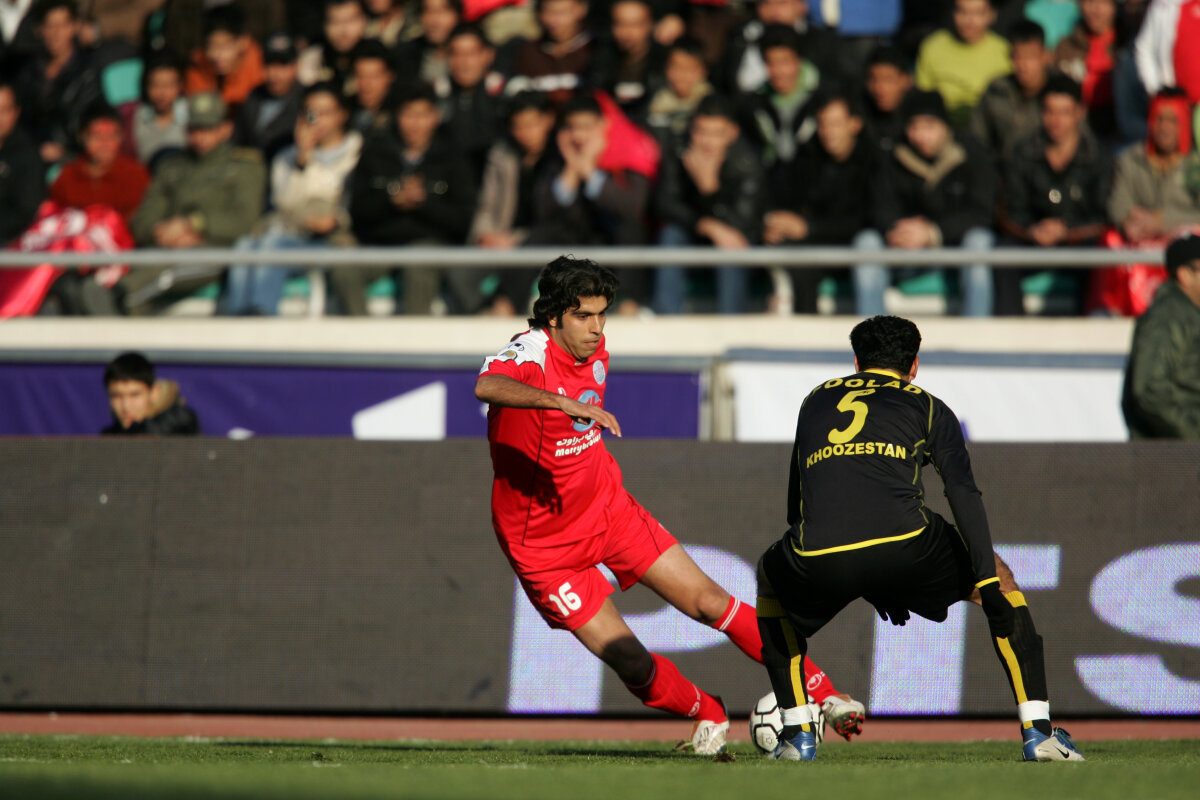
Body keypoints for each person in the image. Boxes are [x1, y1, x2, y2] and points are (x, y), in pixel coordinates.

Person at [475, 255, 867, 754]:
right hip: (542, 547)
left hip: (609, 512)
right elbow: (486, 386)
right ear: (552, 316)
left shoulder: (594, 348)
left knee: (710, 602)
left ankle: (825, 694)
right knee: (629, 660)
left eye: (602, 314)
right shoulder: (529, 351)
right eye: (582, 316)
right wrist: (560, 401)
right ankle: (707, 711)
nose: (596, 328)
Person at [755, 314, 1084, 763]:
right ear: (913, 365)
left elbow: (797, 502)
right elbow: (962, 493)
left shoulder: (814, 400)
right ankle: (1040, 735)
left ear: (857, 362)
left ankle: (797, 737)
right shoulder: (929, 406)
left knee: (770, 580)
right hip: (909, 545)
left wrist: (845, 573)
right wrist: (987, 582)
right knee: (1001, 577)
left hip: (818, 551)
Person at [220, 83, 362, 316]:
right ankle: (239, 319)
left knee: (273, 246)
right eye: (311, 113)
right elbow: (286, 204)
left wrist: (330, 217)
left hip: (333, 240)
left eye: (326, 113)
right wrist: (302, 160)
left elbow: (341, 202)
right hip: (292, 233)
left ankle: (261, 315)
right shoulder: (287, 157)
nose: (318, 120)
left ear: (342, 115)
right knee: (245, 246)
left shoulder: (357, 152)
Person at [854, 89, 997, 317]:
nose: (920, 135)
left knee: (979, 241)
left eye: (929, 126)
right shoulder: (891, 154)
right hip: (901, 250)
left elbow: (982, 211)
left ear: (945, 126)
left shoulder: (972, 154)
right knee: (866, 242)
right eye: (913, 126)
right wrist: (897, 230)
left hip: (952, 252)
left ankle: (976, 330)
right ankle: (873, 334)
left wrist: (933, 233)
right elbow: (878, 205)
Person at [122, 91, 267, 315]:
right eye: (195, 129)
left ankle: (115, 299)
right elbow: (144, 218)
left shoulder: (244, 167)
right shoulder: (172, 167)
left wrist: (193, 224)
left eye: (208, 129)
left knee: (157, 276)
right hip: (166, 248)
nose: (201, 136)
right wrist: (161, 232)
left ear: (226, 129)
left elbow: (245, 221)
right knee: (140, 266)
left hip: (216, 253)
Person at [347, 82, 477, 314]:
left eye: (423, 115)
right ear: (397, 117)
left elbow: (463, 220)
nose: (415, 124)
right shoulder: (375, 152)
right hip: (380, 244)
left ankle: (415, 337)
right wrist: (391, 201)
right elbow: (358, 210)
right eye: (408, 115)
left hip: (430, 243)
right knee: (343, 269)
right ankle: (359, 334)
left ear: (436, 117)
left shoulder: (453, 157)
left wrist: (423, 203)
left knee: (419, 265)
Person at [997, 74, 1111, 315]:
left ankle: (1087, 329)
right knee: (1003, 254)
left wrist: (1066, 230)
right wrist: (1033, 230)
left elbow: (1104, 214)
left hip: (1080, 244)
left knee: (1099, 256)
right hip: (1032, 242)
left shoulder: (1099, 157)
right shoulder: (1022, 152)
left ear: (1079, 113)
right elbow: (1011, 209)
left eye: (1064, 112)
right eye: (1049, 111)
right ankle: (1010, 330)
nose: (1056, 121)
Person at [764, 90, 874, 313]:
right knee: (792, 255)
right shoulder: (807, 157)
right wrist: (775, 225)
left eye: (835, 124)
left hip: (852, 245)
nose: (828, 132)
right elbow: (784, 200)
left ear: (855, 124)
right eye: (823, 124)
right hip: (813, 246)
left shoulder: (874, 162)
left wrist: (809, 228)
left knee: (868, 243)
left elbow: (869, 220)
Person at [654, 93, 764, 314]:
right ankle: (667, 317)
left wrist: (709, 188)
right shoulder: (679, 150)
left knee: (731, 248)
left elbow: (743, 223)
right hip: (695, 231)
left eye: (716, 134)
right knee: (671, 235)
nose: (706, 141)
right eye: (700, 131)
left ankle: (731, 322)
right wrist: (706, 224)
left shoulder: (747, 161)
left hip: (737, 239)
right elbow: (664, 203)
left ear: (732, 133)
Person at [1093, 89, 1199, 316]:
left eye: (1172, 120)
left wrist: (1161, 221)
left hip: (1182, 246)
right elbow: (1118, 203)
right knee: (1111, 238)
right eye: (1159, 119)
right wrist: (1128, 221)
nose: (1164, 127)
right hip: (1139, 241)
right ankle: (1110, 311)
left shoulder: (1195, 165)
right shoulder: (1130, 159)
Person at [468, 90, 559, 314]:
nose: (525, 133)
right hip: (499, 240)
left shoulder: (560, 156)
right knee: (460, 272)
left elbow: (556, 221)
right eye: (518, 126)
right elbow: (487, 203)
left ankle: (504, 310)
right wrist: (485, 234)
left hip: (540, 243)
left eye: (531, 124)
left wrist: (516, 240)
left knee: (526, 258)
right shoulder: (502, 154)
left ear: (548, 120)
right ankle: (477, 321)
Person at [1121, 232, 1200, 439]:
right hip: (1170, 452)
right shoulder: (1168, 317)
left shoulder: (1188, 313)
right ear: (1185, 275)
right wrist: (1194, 433)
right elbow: (1149, 390)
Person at [15, 0, 102, 168]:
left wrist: (65, 150)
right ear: (39, 29)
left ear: (74, 27)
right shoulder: (27, 72)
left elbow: (87, 121)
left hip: (71, 156)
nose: (56, 33)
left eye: (62, 25)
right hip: (30, 153)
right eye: (49, 26)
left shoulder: (87, 72)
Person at [737, 24, 819, 182]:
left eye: (785, 62)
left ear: (799, 60)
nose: (778, 71)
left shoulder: (822, 99)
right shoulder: (753, 104)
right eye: (770, 63)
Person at [914, 0, 1012, 128]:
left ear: (993, 15)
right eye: (962, 12)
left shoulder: (1005, 52)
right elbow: (922, 97)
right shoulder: (932, 46)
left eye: (978, 13)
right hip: (940, 127)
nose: (969, 20)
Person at [970, 20, 1056, 160]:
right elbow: (978, 140)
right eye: (1017, 56)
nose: (1023, 65)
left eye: (1030, 56)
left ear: (1045, 56)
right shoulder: (995, 91)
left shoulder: (1061, 91)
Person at [50, 103, 150, 222]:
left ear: (121, 137)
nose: (104, 144)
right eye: (97, 137)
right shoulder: (67, 177)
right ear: (82, 137)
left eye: (111, 137)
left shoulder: (136, 175)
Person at [437, 22, 505, 179]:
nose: (464, 63)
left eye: (471, 54)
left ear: (488, 55)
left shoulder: (505, 94)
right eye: (456, 54)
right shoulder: (437, 95)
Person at [232, 31, 304, 168]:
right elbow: (237, 140)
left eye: (282, 65)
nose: (274, 73)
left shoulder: (307, 100)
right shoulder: (254, 96)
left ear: (296, 66)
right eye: (269, 65)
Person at [589, 0, 666, 127]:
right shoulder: (599, 62)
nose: (627, 32)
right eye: (620, 24)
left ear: (651, 25)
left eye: (635, 25)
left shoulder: (665, 63)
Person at [1053, 0, 1119, 140]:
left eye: (1103, 3)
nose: (1095, 10)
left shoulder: (1126, 47)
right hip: (1077, 132)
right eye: (1089, 2)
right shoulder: (1066, 48)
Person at [507, 0, 593, 106]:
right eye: (548, 12)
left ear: (582, 10)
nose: (554, 21)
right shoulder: (527, 52)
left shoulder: (596, 49)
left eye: (562, 12)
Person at [184, 4, 264, 111]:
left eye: (225, 46)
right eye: (211, 46)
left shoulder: (260, 68)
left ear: (243, 41)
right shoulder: (198, 65)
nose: (217, 55)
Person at [101, 351, 200, 436]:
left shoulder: (179, 427)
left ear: (154, 392)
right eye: (116, 396)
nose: (126, 406)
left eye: (135, 395)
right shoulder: (109, 436)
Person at [644, 37, 713, 151]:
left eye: (690, 69)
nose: (681, 75)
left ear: (704, 71)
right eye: (675, 67)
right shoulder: (654, 102)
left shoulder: (711, 105)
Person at [0, 81, 45, 248]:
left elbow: (25, 212)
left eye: (5, 110)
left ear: (16, 112)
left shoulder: (27, 155)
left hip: (11, 248)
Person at [298, 0, 369, 103]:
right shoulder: (312, 60)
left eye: (350, 21)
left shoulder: (380, 57)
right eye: (335, 22)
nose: (343, 31)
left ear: (364, 20)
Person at [130, 52, 188, 170]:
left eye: (168, 85)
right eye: (155, 85)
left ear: (180, 86)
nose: (162, 93)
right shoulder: (135, 117)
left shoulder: (191, 115)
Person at [862, 45, 912, 156]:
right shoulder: (859, 117)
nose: (879, 88)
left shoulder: (922, 116)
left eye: (888, 80)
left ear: (906, 80)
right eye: (873, 79)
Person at [349, 38, 396, 135]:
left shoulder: (400, 114)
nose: (366, 84)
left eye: (374, 76)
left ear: (390, 77)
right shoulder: (345, 111)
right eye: (360, 76)